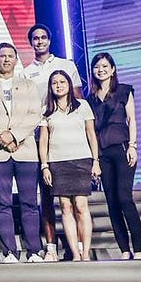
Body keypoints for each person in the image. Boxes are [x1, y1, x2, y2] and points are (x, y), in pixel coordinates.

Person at [0, 42, 45, 262]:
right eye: (2, 56)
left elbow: (34, 115)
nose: (6, 59)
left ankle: (34, 250)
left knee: (30, 203)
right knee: (2, 203)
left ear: (16, 59)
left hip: (25, 152)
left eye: (10, 56)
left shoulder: (29, 85)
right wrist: (2, 137)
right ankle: (9, 252)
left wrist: (14, 136)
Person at [20, 23, 82, 261]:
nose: (40, 41)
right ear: (31, 43)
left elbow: (78, 99)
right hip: (40, 134)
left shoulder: (66, 66)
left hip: (67, 136)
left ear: (50, 40)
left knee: (72, 195)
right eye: (35, 38)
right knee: (46, 192)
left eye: (44, 37)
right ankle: (51, 246)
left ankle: (74, 245)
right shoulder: (26, 72)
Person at [87, 51, 141, 261]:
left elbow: (132, 119)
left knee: (124, 197)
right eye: (97, 67)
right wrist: (94, 160)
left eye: (104, 66)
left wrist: (133, 146)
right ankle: (124, 249)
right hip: (103, 154)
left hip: (122, 149)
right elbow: (90, 130)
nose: (100, 70)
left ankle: (139, 248)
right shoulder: (90, 98)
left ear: (112, 69)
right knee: (111, 202)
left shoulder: (124, 91)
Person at [38, 70, 100, 262]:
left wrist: (95, 161)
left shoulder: (83, 106)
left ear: (69, 84)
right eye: (55, 83)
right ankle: (74, 253)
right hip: (58, 162)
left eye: (62, 82)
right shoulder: (46, 110)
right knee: (65, 207)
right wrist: (45, 165)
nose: (59, 85)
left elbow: (91, 134)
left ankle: (85, 252)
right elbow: (43, 140)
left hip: (81, 160)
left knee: (81, 205)